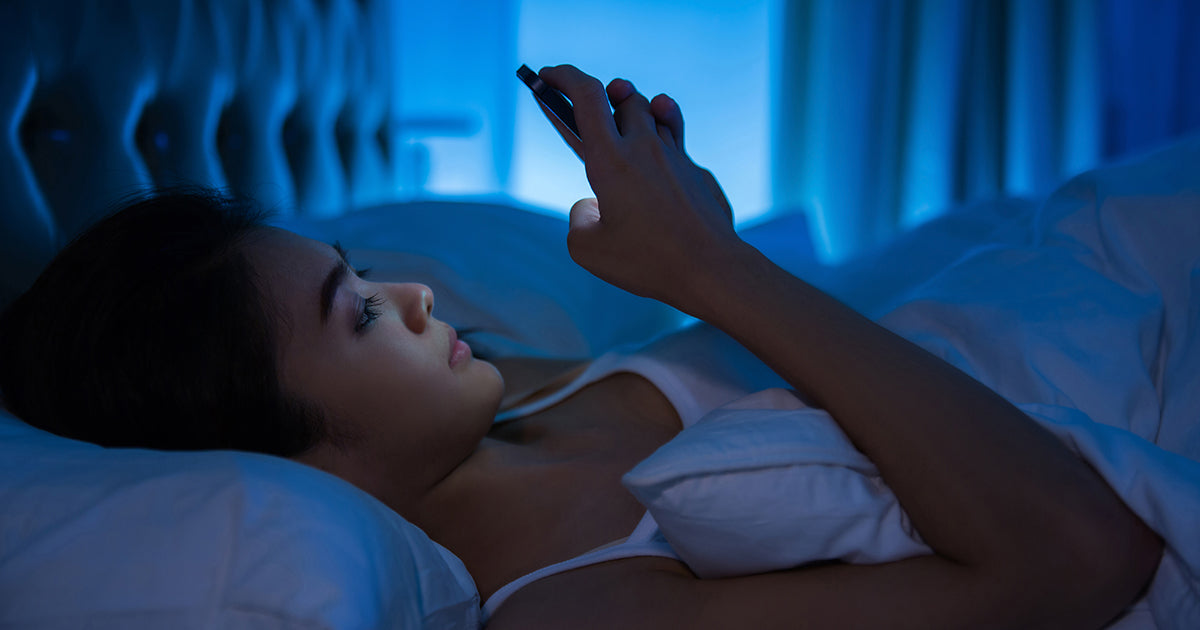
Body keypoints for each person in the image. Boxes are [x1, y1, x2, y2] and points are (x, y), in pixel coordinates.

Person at [0, 65, 1161, 629]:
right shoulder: (570, 610)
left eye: (362, 269)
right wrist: (723, 275)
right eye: (356, 313)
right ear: (289, 462)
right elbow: (1084, 556)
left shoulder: (512, 390)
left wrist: (695, 227)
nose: (411, 293)